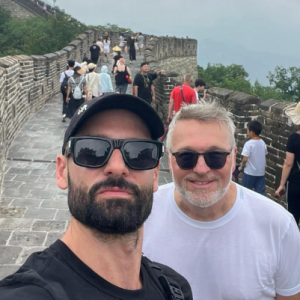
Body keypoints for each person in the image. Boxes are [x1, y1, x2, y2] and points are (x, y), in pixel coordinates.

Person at [0, 93, 193, 300]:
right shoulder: (30, 293)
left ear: (155, 175)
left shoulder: (174, 288)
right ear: (62, 171)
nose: (117, 168)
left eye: (139, 152)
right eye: (92, 151)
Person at [143, 101, 300, 300]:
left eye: (216, 156)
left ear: (233, 157)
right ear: (169, 158)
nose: (201, 169)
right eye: (186, 156)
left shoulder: (278, 226)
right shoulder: (140, 215)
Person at [275, 102, 300, 225]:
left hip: (296, 181)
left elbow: (288, 163)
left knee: (293, 215)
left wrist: (282, 184)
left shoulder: (294, 138)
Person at [238, 120, 267, 195]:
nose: (247, 131)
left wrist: (241, 166)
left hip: (250, 173)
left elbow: (245, 159)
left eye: (247, 129)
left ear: (251, 132)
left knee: (245, 192)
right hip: (260, 173)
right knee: (260, 194)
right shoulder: (262, 143)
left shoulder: (249, 144)